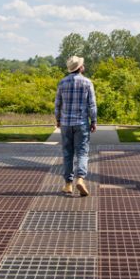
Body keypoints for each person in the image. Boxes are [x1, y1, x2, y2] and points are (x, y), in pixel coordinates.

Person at [55, 55, 96, 196]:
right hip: (81, 123)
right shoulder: (87, 83)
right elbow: (92, 105)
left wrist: (58, 119)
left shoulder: (62, 83)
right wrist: (94, 121)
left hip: (66, 124)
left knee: (67, 154)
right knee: (82, 153)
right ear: (80, 68)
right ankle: (80, 179)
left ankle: (68, 185)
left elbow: (58, 104)